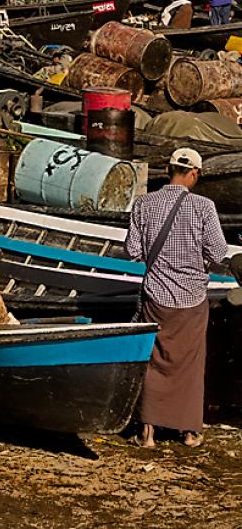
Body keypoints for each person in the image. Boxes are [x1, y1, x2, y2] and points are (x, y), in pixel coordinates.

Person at [125, 149, 227, 449]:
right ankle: (190, 432)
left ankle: (147, 432)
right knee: (190, 365)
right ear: (194, 173)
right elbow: (219, 254)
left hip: (155, 297)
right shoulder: (204, 207)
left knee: (152, 361)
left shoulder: (143, 204)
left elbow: (132, 251)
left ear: (169, 170)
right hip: (192, 298)